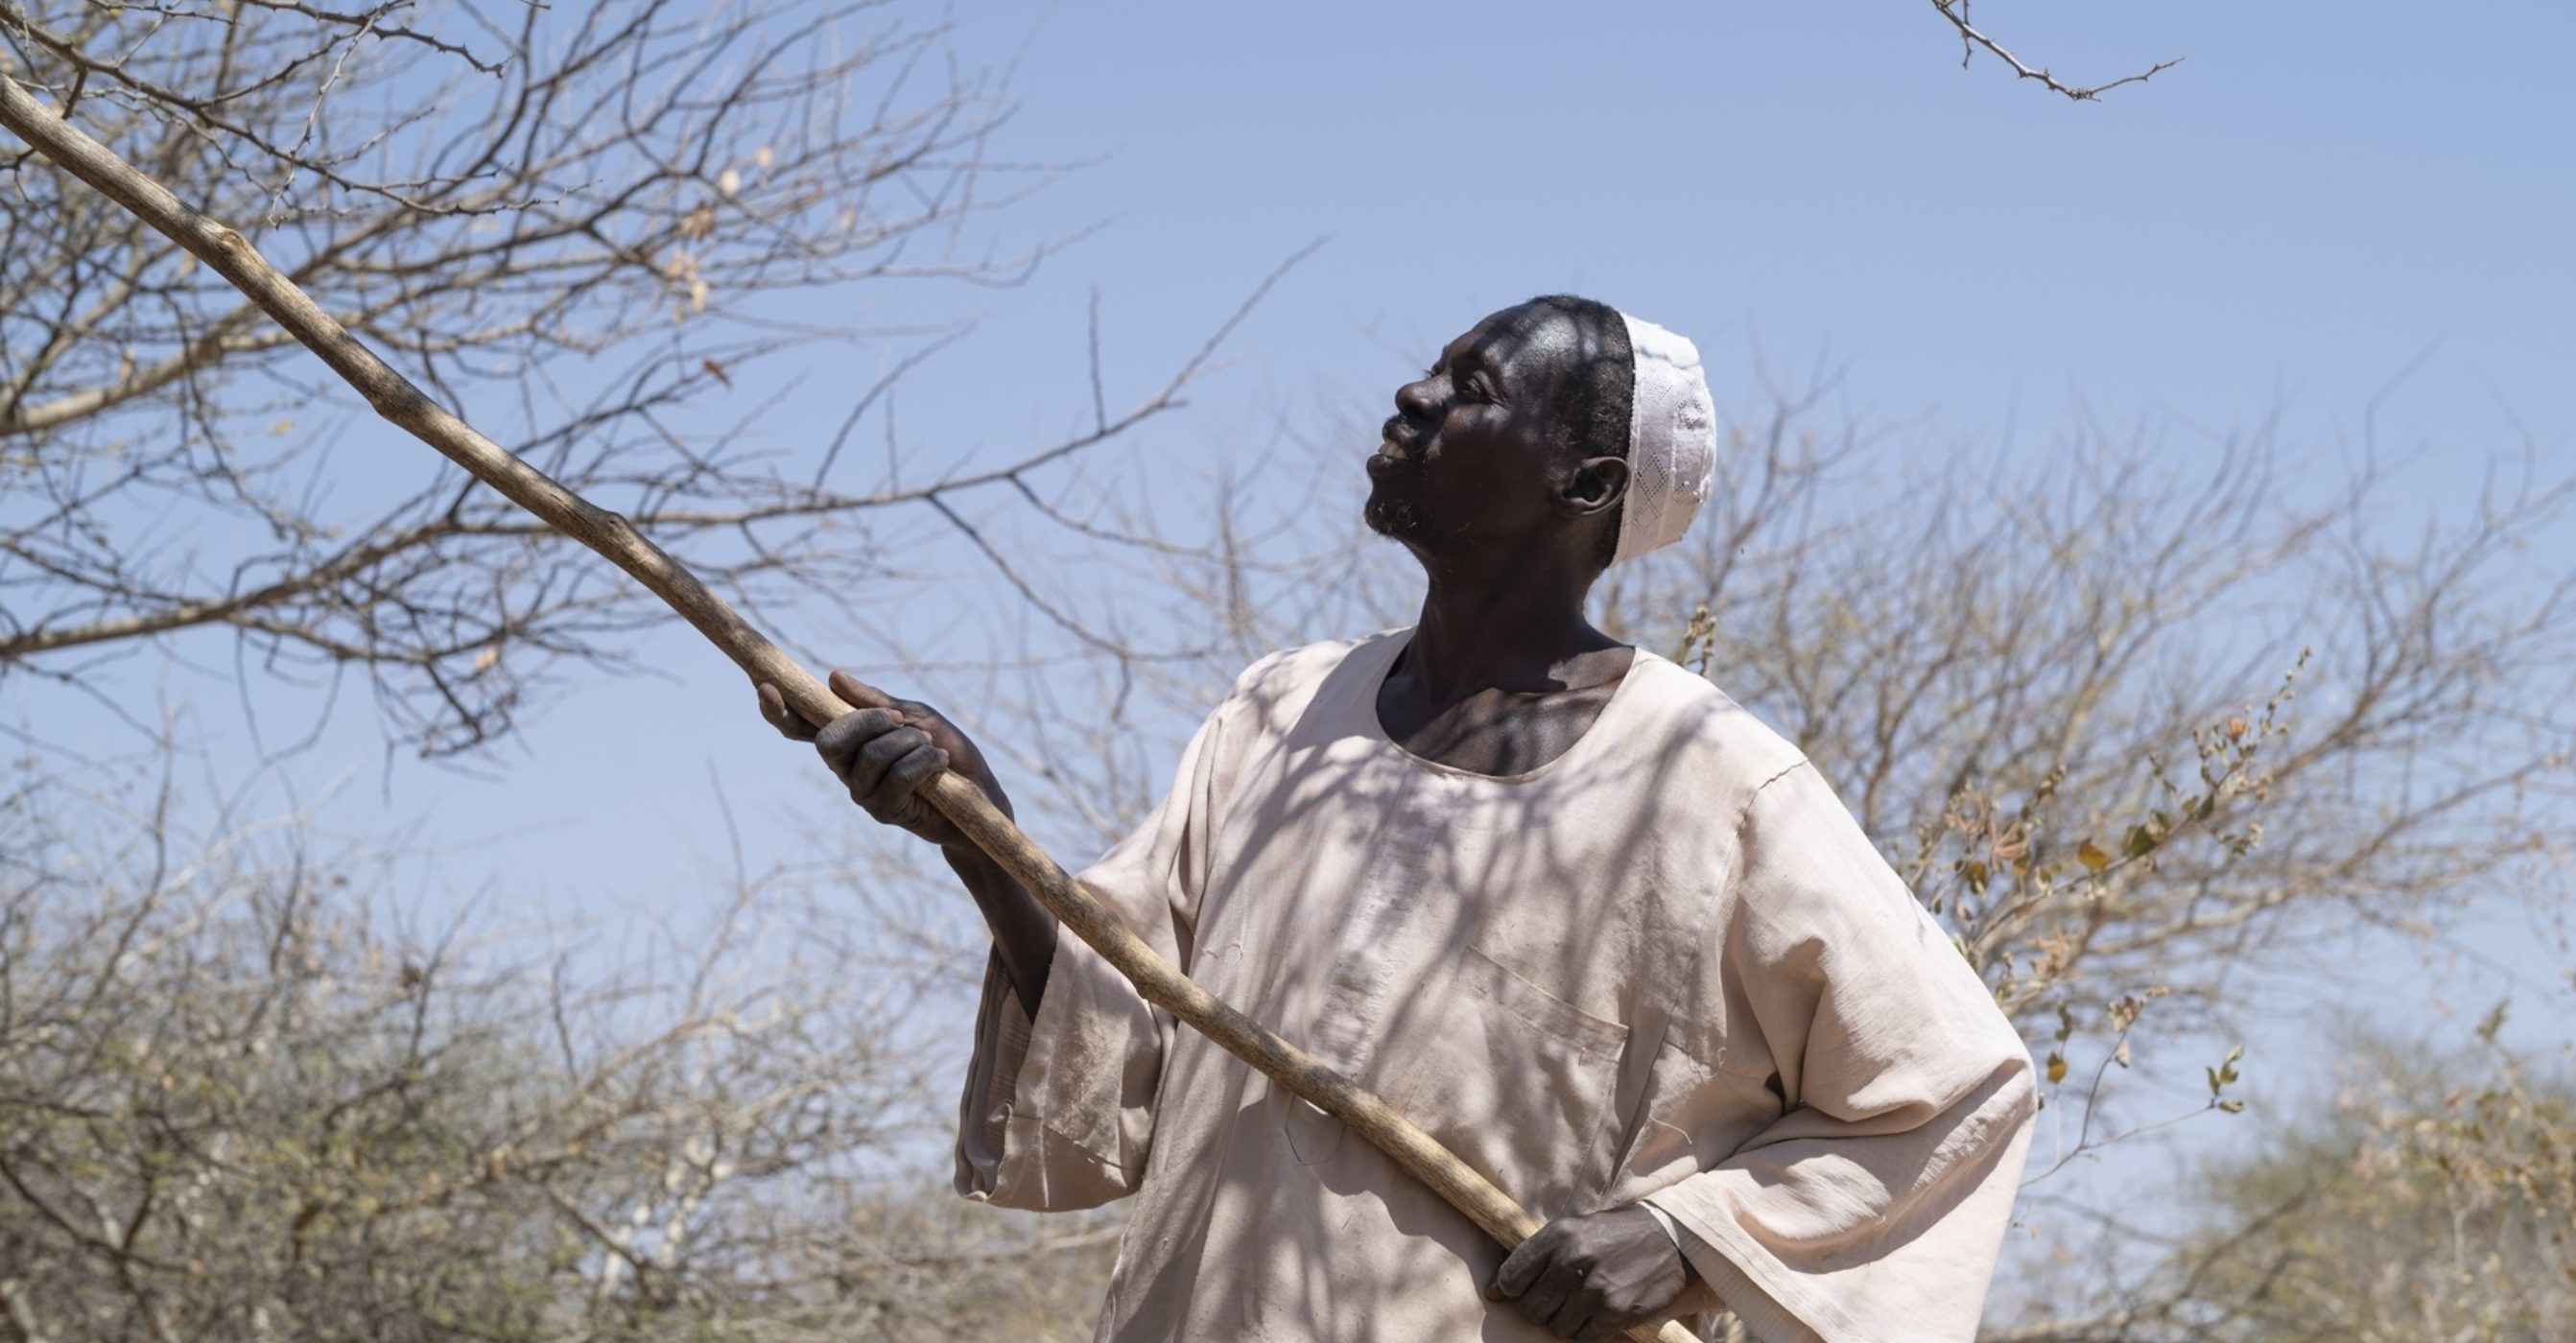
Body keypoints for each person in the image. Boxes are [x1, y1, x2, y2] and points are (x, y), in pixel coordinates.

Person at [761, 296, 2034, 1342]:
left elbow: (1952, 1094)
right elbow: (1129, 1071)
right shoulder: (1281, 716)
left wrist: (1678, 1240)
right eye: (1431, 370)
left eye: (1471, 385)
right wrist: (982, 839)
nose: (1414, 397)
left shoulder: (1712, 782)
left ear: (1584, 479)